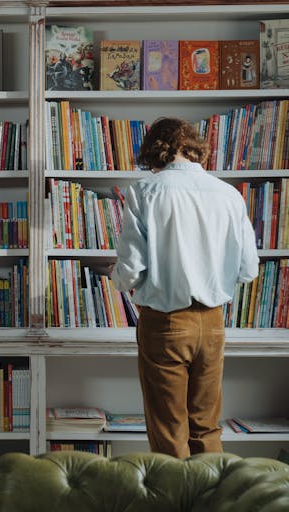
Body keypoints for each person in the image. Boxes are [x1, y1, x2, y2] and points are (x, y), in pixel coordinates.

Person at [110, 117, 259, 458]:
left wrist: (116, 276)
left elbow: (131, 271)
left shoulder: (144, 191)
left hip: (165, 322)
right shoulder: (228, 194)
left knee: (168, 429)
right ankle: (208, 502)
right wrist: (211, 276)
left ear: (154, 153)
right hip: (213, 322)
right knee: (206, 425)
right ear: (193, 148)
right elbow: (248, 268)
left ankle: (173, 504)